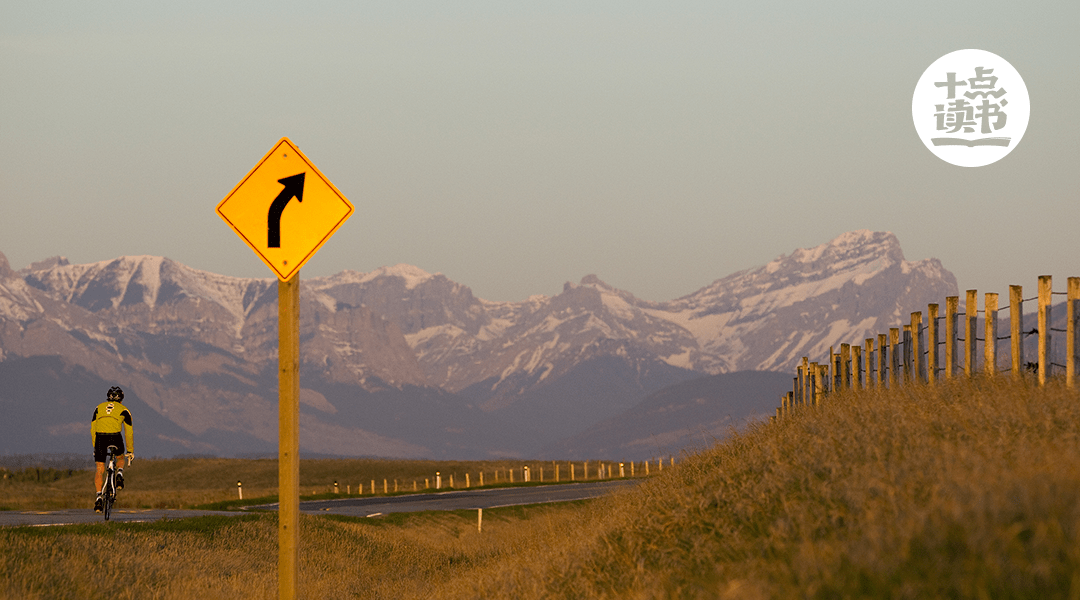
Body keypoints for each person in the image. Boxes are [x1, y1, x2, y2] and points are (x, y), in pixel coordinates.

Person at [91, 386, 134, 513]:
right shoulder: (124, 410)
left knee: (100, 468)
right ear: (121, 399)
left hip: (100, 436)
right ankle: (119, 473)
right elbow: (129, 432)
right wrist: (130, 451)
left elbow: (93, 429)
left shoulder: (98, 407)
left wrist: (95, 446)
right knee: (120, 456)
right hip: (115, 436)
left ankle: (99, 497)